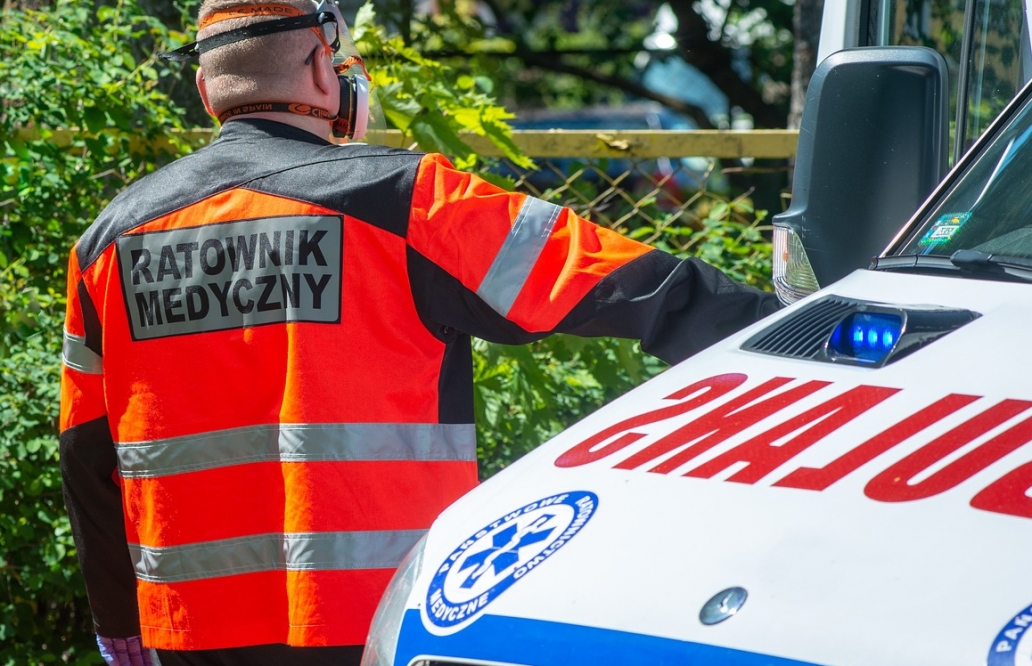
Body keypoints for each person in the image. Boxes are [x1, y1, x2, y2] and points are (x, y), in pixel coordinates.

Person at [58, 1, 781, 664]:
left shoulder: (107, 242)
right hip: (383, 617)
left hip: (189, 627)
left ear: (207, 89)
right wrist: (809, 338)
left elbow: (85, 451)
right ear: (322, 66)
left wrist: (119, 622)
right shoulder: (406, 199)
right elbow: (636, 285)